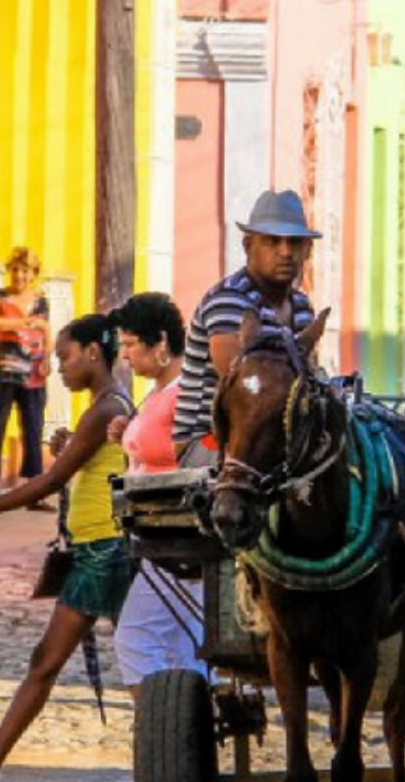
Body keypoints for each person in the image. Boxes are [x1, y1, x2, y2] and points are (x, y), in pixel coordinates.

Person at [0, 314, 135, 782]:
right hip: (94, 547)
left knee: (93, 665)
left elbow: (49, 481)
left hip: (102, 550)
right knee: (65, 661)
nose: (58, 367)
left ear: (91, 353)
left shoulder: (108, 407)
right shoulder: (106, 407)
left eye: (64, 356)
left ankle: (164, 769)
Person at [172, 190, 319, 467]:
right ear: (248, 246)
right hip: (210, 439)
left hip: (272, 437)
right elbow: (247, 388)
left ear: (307, 251)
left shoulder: (301, 306)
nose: (285, 252)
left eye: (295, 243)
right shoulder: (228, 300)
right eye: (273, 242)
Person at [107, 292, 206, 692]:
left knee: (135, 639)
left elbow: (194, 455)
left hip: (180, 539)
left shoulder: (186, 396)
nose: (125, 356)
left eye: (131, 344)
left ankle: (164, 732)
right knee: (186, 644)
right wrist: (125, 435)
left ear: (161, 342)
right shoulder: (161, 392)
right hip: (159, 536)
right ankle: (185, 738)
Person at [0, 248, 51, 495]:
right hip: (3, 369)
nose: (19, 275)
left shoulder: (41, 300)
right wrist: (26, 322)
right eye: (16, 270)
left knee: (33, 427)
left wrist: (48, 358)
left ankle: (30, 486)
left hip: (34, 372)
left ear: (33, 274)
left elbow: (47, 331)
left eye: (25, 271)